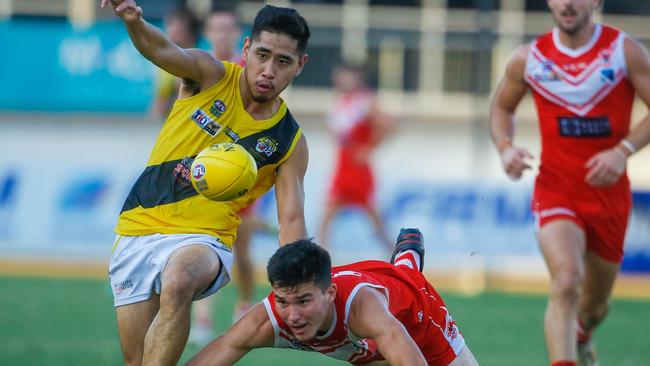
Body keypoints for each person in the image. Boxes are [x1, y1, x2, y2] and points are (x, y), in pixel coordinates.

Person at [100, 1, 311, 365]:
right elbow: (161, 49)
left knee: (179, 279)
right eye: (262, 54)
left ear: (299, 65)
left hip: (204, 240)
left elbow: (291, 221)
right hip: (138, 228)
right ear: (246, 48)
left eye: (283, 61)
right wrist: (134, 21)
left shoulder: (289, 141)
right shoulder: (208, 73)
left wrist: (299, 283)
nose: (268, 70)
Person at [489, 1, 650, 365]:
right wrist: (505, 148)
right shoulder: (528, 59)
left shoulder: (623, 51)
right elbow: (502, 108)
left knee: (594, 306)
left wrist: (621, 151)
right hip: (556, 190)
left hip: (609, 199)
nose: (568, 3)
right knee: (565, 281)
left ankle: (582, 333)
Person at [187, 229, 479, 366]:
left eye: (303, 301)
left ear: (330, 294)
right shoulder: (269, 319)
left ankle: (407, 263)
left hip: (417, 319)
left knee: (406, 282)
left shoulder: (362, 309)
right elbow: (216, 354)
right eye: (283, 301)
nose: (292, 316)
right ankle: (405, 260)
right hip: (363, 342)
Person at [187, 6, 244, 346]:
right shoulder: (196, 67)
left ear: (238, 34)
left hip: (241, 173)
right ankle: (204, 319)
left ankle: (244, 304)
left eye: (228, 29)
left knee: (245, 246)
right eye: (216, 29)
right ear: (208, 32)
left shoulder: (250, 71)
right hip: (205, 172)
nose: (222, 34)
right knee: (202, 241)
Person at [319, 63, 394, 253]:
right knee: (328, 214)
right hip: (343, 166)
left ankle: (396, 255)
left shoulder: (364, 101)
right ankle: (321, 256)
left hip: (357, 169)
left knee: (375, 220)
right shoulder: (340, 101)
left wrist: (368, 148)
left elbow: (388, 125)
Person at [150, 6, 201, 119]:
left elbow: (160, 106)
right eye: (168, 24)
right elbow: (158, 106)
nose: (168, 30)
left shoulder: (202, 63)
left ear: (187, 31)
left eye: (173, 24)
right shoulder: (166, 62)